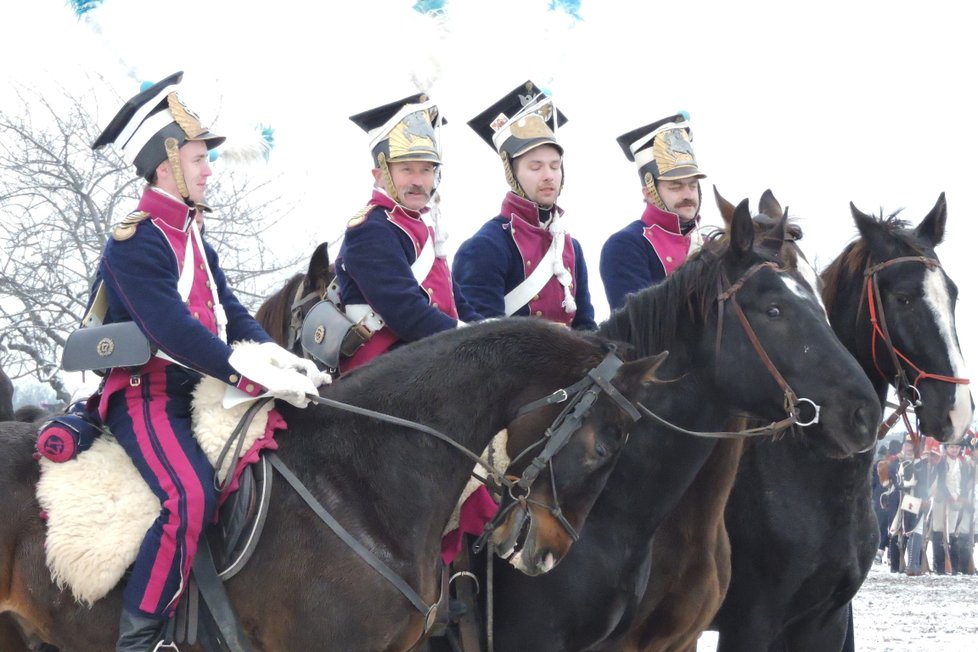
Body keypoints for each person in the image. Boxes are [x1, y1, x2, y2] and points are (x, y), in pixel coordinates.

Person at [88, 72, 328, 651]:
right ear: (167, 164)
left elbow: (233, 315)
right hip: (147, 396)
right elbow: (169, 330)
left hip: (201, 391)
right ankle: (141, 636)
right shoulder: (135, 240)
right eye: (199, 159)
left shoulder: (197, 236)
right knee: (188, 494)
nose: (209, 169)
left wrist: (282, 360)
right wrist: (244, 371)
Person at [335, 93, 483, 373]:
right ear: (380, 175)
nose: (418, 181)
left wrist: (494, 332)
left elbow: (455, 301)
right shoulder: (370, 230)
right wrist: (473, 339)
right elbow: (407, 313)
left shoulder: (422, 223)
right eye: (406, 170)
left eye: (426, 170)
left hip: (429, 355)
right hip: (382, 370)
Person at [452, 80, 596, 329]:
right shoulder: (484, 247)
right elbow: (480, 345)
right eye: (535, 166)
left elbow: (585, 327)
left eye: (555, 165)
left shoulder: (572, 248)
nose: (549, 175)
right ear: (512, 173)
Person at [599, 113, 707, 311]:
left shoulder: (711, 244)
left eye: (692, 185)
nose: (688, 194)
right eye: (675, 187)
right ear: (649, 193)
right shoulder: (625, 245)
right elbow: (636, 326)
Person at [931, 437, 976, 574]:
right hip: (942, 501)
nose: (955, 450)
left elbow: (964, 482)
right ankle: (939, 567)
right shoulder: (941, 462)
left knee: (953, 533)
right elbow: (939, 481)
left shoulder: (962, 464)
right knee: (939, 533)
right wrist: (947, 497)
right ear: (946, 448)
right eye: (951, 447)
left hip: (955, 501)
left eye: (957, 448)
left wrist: (960, 497)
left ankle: (954, 567)